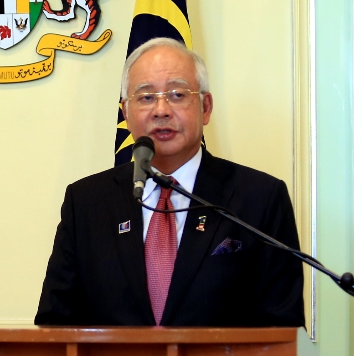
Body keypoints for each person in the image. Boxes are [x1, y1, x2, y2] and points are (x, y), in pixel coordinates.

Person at [35, 37, 304, 327]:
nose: (161, 110)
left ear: (206, 107)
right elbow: (56, 323)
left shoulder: (260, 197)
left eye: (177, 94)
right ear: (125, 113)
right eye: (146, 97)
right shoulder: (87, 201)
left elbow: (282, 328)